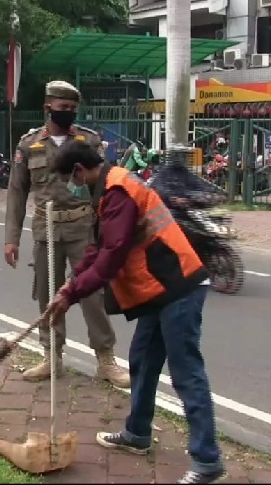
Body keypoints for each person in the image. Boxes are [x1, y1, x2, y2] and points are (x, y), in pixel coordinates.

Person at [45, 140, 224, 484]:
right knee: (142, 359)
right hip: (158, 291)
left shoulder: (119, 192)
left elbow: (111, 257)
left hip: (178, 287)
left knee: (186, 372)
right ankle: (138, 433)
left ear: (80, 171)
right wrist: (71, 283)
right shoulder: (109, 190)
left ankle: (208, 460)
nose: (72, 186)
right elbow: (98, 247)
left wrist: (71, 296)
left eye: (70, 178)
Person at [4, 80, 130, 388]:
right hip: (45, 229)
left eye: (73, 109)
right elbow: (16, 192)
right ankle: (51, 357)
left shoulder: (89, 140)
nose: (68, 114)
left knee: (91, 294)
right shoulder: (29, 144)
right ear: (48, 108)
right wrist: (11, 238)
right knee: (49, 295)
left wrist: (104, 230)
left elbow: (103, 185)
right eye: (62, 109)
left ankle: (105, 359)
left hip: (81, 228)